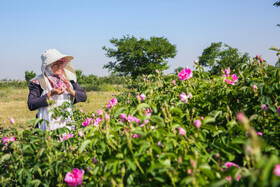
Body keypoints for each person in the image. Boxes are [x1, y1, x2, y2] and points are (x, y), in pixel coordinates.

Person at [27, 49, 87, 131]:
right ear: (48, 66)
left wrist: (70, 90)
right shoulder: (39, 81)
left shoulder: (68, 79)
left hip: (66, 125)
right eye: (55, 64)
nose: (59, 66)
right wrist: (50, 94)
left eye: (61, 63)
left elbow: (84, 97)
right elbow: (31, 104)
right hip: (45, 126)